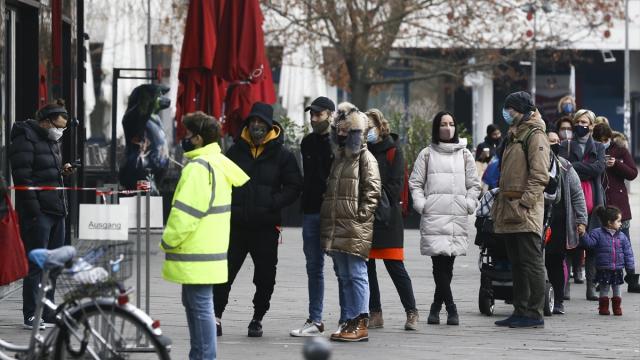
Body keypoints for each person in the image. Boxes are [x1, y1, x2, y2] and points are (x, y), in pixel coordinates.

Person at [160, 112, 249, 360]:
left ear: (198, 138)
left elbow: (186, 212)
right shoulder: (216, 164)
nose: (184, 139)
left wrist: (168, 239)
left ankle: (203, 357)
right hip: (210, 249)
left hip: (195, 251)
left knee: (199, 307)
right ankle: (200, 356)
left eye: (188, 135)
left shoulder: (199, 168)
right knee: (197, 305)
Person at [214, 102, 302, 337]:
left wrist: (274, 202)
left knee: (265, 277)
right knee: (224, 273)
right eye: (253, 121)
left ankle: (257, 317)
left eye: (261, 122)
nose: (256, 126)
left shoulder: (283, 155)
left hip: (265, 227)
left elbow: (294, 186)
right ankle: (216, 316)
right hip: (237, 225)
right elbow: (222, 181)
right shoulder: (235, 151)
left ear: (269, 126)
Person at [408, 111, 481, 326]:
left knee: (447, 267)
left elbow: (474, 184)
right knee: (438, 265)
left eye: (451, 123)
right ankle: (451, 308)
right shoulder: (427, 154)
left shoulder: (465, 154)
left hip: (457, 215)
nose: (447, 128)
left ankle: (435, 307)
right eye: (443, 124)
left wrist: (468, 203)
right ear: (436, 127)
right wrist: (422, 204)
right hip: (434, 215)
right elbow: (415, 183)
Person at [9, 99, 75, 330]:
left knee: (54, 264)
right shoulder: (24, 138)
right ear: (45, 122)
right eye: (58, 126)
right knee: (36, 264)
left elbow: (44, 172)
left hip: (57, 209)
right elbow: (23, 179)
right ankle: (31, 313)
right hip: (39, 213)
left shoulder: (50, 140)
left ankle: (48, 311)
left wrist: (61, 172)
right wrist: (35, 213)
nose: (60, 132)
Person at [320, 102, 381, 342]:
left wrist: (360, 217)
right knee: (344, 275)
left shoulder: (365, 157)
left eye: (347, 129)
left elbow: (373, 190)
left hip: (354, 226)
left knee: (356, 273)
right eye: (339, 129)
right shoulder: (340, 158)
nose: (342, 133)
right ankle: (349, 318)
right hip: (337, 225)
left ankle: (361, 321)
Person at [491, 91, 550, 329]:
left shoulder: (535, 135)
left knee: (531, 261)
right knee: (516, 261)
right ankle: (520, 309)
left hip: (524, 209)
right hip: (510, 207)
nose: (507, 113)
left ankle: (534, 312)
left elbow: (539, 175)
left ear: (522, 110)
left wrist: (525, 202)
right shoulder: (515, 134)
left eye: (511, 109)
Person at [364, 109, 419, 331]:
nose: (368, 131)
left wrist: (370, 194)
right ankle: (375, 313)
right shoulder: (360, 151)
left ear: (380, 126)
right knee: (367, 269)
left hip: (387, 218)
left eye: (371, 126)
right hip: (365, 217)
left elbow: (396, 186)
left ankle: (412, 311)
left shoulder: (393, 151)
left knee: (395, 266)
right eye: (364, 127)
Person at [290, 97, 335, 337]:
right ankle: (315, 319)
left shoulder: (339, 142)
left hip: (333, 211)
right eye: (311, 115)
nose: (313, 119)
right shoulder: (306, 143)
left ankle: (350, 318)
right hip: (310, 211)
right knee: (313, 267)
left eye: (318, 115)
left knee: (342, 267)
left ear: (330, 114)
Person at [559, 109, 606, 301]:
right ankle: (565, 287)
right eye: (578, 121)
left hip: (594, 200)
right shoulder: (565, 145)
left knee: (593, 245)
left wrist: (576, 167)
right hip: (571, 198)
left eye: (585, 122)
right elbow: (564, 166)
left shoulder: (599, 146)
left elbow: (599, 168)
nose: (581, 125)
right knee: (570, 244)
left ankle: (591, 288)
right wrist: (584, 168)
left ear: (592, 126)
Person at [592, 123, 640, 293]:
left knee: (624, 243)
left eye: (606, 140)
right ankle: (602, 277)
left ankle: (632, 278)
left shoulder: (619, 150)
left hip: (620, 207)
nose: (602, 143)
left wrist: (616, 164)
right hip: (600, 204)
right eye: (599, 140)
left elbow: (633, 173)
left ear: (610, 138)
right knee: (602, 244)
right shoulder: (591, 150)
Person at [545, 131, 588, 313]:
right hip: (535, 219)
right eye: (550, 141)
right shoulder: (533, 162)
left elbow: (578, 194)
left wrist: (581, 220)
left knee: (555, 261)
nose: (554, 145)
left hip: (559, 221)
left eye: (556, 142)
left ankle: (559, 301)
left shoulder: (565, 166)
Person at [580, 206, 635, 316]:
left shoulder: (622, 236)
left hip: (618, 268)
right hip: (603, 268)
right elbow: (589, 244)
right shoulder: (597, 233)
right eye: (618, 221)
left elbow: (628, 252)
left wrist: (630, 268)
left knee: (617, 288)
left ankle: (617, 307)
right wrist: (583, 234)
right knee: (604, 288)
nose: (621, 223)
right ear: (610, 222)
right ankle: (603, 307)